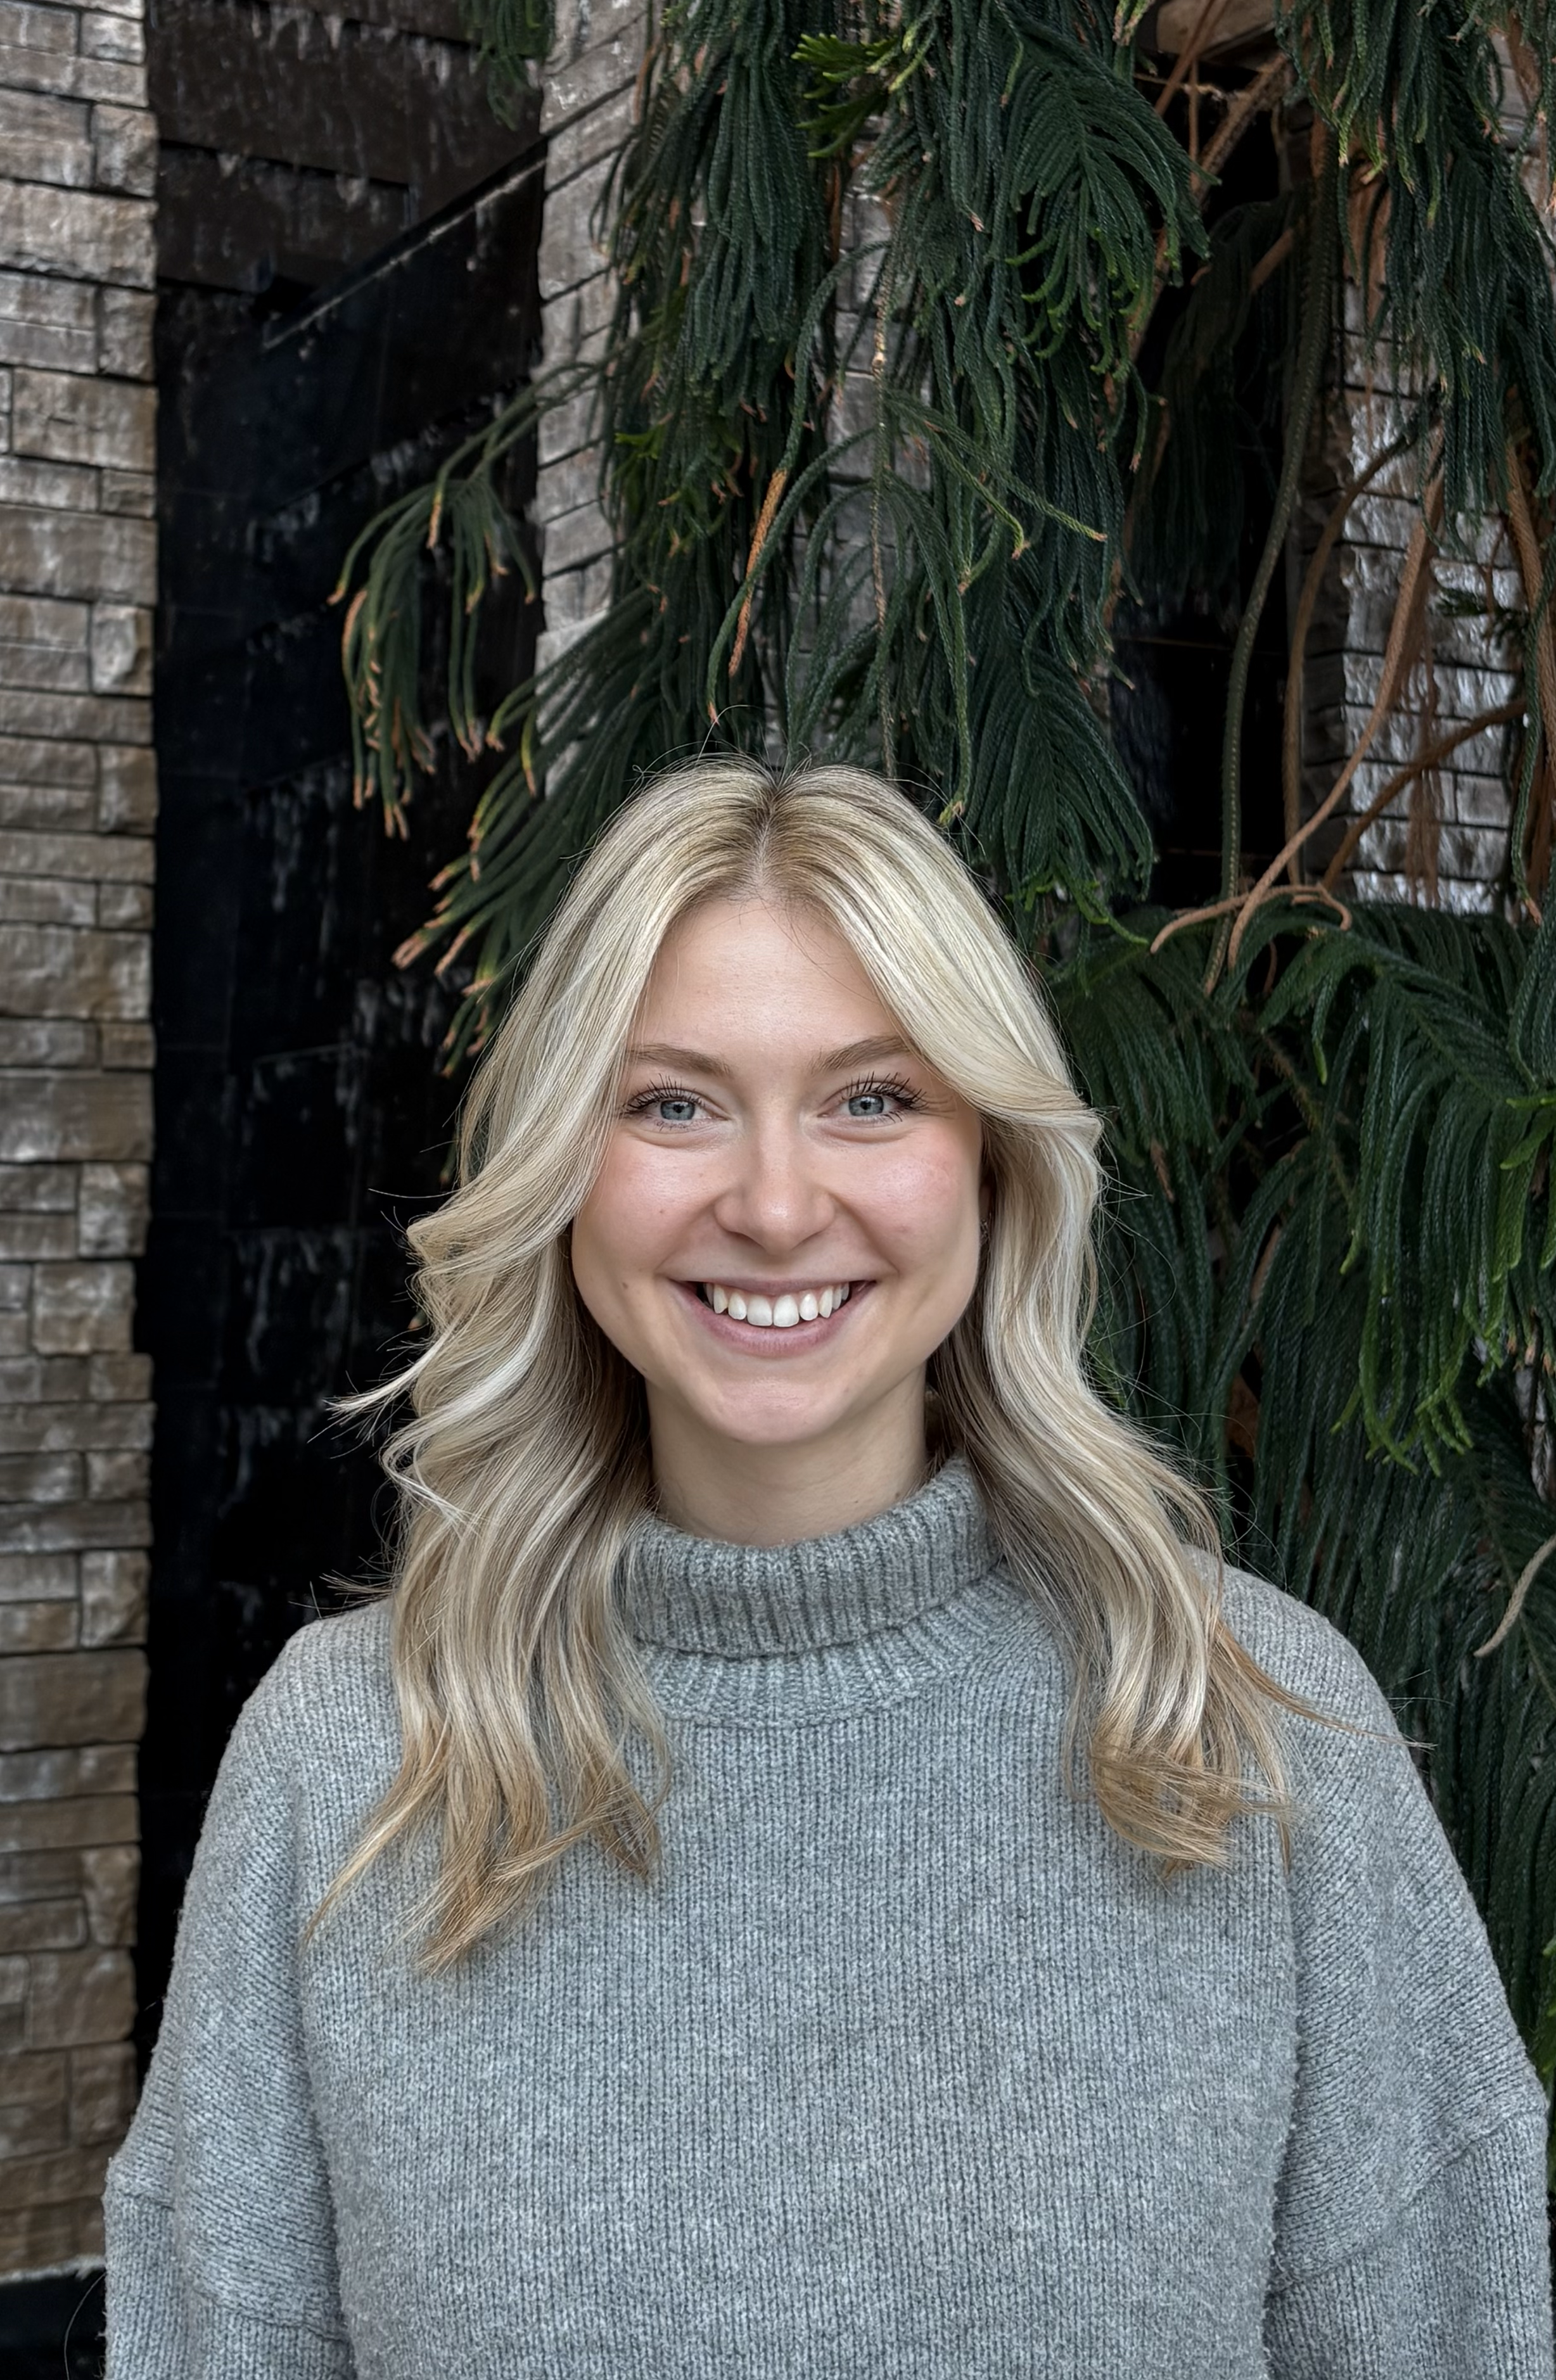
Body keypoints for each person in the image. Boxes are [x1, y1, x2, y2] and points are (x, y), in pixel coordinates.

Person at [105, 756, 1552, 2377]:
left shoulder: (1253, 1732)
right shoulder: (349, 1759)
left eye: (875, 1098)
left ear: (993, 1168)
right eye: (671, 1103)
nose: (778, 1205)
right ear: (562, 1172)